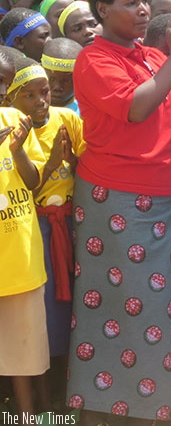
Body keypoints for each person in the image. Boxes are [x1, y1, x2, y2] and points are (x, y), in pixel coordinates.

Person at [65, 0, 171, 424]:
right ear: (102, 9)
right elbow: (136, 109)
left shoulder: (151, 58)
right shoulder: (95, 60)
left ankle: (162, 405)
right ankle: (105, 408)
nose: (143, 9)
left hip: (167, 200)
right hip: (117, 203)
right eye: (130, 3)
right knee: (119, 310)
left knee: (165, 308)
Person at [9, 54, 85, 414]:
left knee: (72, 308)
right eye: (31, 96)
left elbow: (88, 166)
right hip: (35, 229)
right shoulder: (14, 132)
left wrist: (71, 162)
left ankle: (69, 391)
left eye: (45, 93)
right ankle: (45, 396)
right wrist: (53, 162)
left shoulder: (68, 119)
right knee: (44, 314)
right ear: (11, 100)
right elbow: (25, 188)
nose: (42, 101)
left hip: (70, 226)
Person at [0, 50, 49, 420]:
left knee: (23, 351)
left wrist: (17, 152)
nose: (2, 91)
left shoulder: (15, 119)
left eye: (5, 83)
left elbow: (32, 182)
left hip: (19, 259)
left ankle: (27, 416)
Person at [41, 37, 81, 111]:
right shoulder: (23, 109)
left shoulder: (86, 112)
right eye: (51, 79)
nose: (57, 87)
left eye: (67, 81)